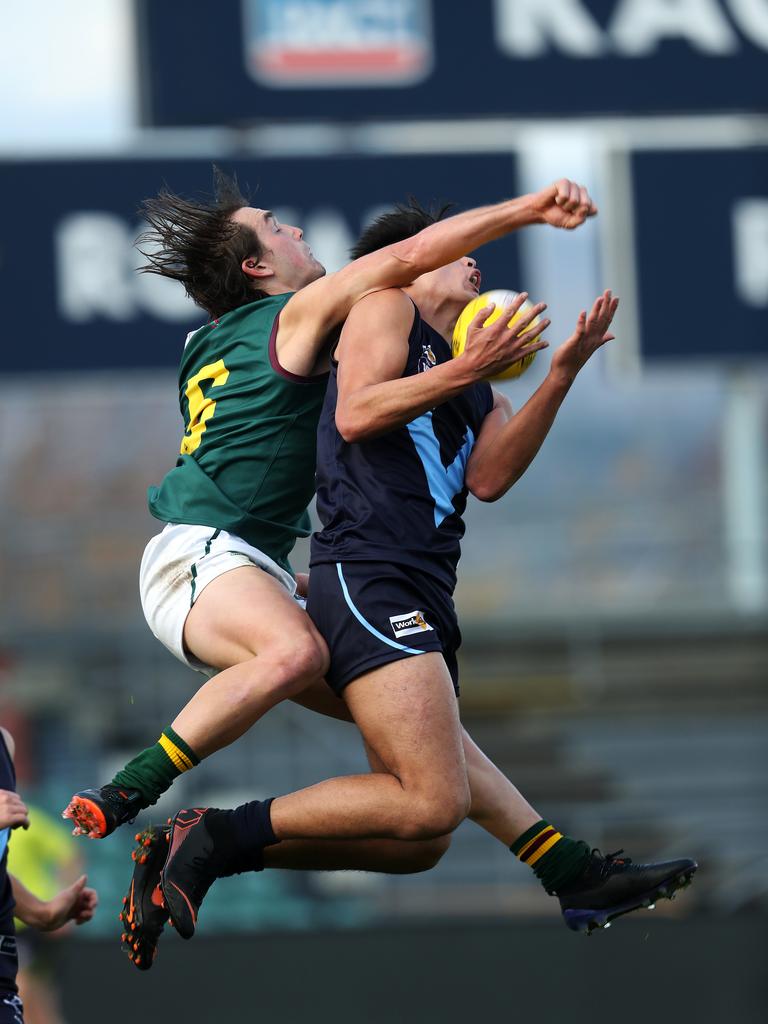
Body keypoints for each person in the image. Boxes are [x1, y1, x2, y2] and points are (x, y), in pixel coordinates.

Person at [140, 201, 696, 958]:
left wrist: (560, 373)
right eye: (458, 254)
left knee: (419, 833)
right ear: (415, 260)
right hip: (369, 576)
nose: (475, 265)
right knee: (436, 796)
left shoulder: (480, 386)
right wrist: (475, 340)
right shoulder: (383, 311)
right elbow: (357, 415)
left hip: (423, 588)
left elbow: (492, 477)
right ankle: (212, 829)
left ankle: (569, 872)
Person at [63, 170, 598, 841]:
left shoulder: (212, 339)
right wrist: (529, 209)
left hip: (243, 565)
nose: (295, 229)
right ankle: (131, 791)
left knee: (418, 736)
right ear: (257, 266)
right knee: (295, 656)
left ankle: (562, 865)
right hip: (202, 555)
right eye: (275, 227)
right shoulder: (288, 318)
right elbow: (404, 260)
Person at [0, 729, 97, 1023]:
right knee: (31, 989)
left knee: (36, 995)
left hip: (18, 932)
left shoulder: (4, 743)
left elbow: (69, 853)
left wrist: (43, 910)